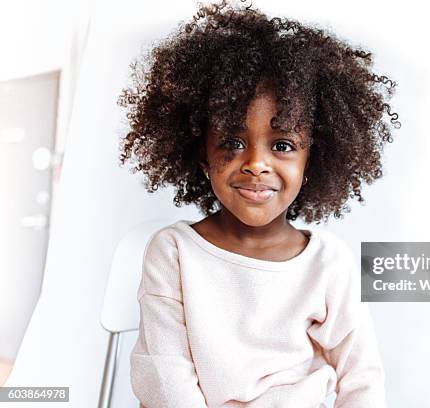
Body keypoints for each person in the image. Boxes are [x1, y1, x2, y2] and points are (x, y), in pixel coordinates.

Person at [118, 1, 400, 406]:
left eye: (282, 145)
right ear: (203, 157)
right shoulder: (175, 252)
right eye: (232, 143)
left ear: (311, 161)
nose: (255, 163)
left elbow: (362, 379)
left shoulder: (329, 262)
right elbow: (164, 376)